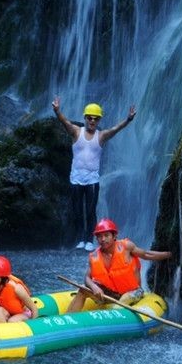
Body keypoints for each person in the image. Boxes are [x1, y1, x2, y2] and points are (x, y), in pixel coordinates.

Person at [52, 96, 136, 251]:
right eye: (90, 118)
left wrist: (128, 120)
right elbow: (65, 122)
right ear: (85, 118)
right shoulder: (76, 132)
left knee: (90, 211)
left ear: (98, 120)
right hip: (76, 178)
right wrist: (57, 111)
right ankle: (80, 239)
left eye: (96, 119)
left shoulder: (101, 136)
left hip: (92, 180)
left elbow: (116, 129)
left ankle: (89, 240)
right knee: (77, 211)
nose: (92, 121)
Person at [66, 218, 172, 313]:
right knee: (83, 290)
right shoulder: (94, 256)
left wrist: (168, 254)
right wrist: (94, 287)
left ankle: (112, 319)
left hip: (133, 291)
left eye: (106, 235)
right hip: (111, 293)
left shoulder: (126, 247)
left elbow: (146, 254)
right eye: (99, 236)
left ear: (114, 236)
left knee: (124, 299)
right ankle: (68, 319)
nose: (103, 239)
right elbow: (87, 278)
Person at [0, 255, 39, 322]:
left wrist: (34, 324)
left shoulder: (17, 288)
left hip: (23, 313)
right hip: (8, 312)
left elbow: (34, 309)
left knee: (12, 321)